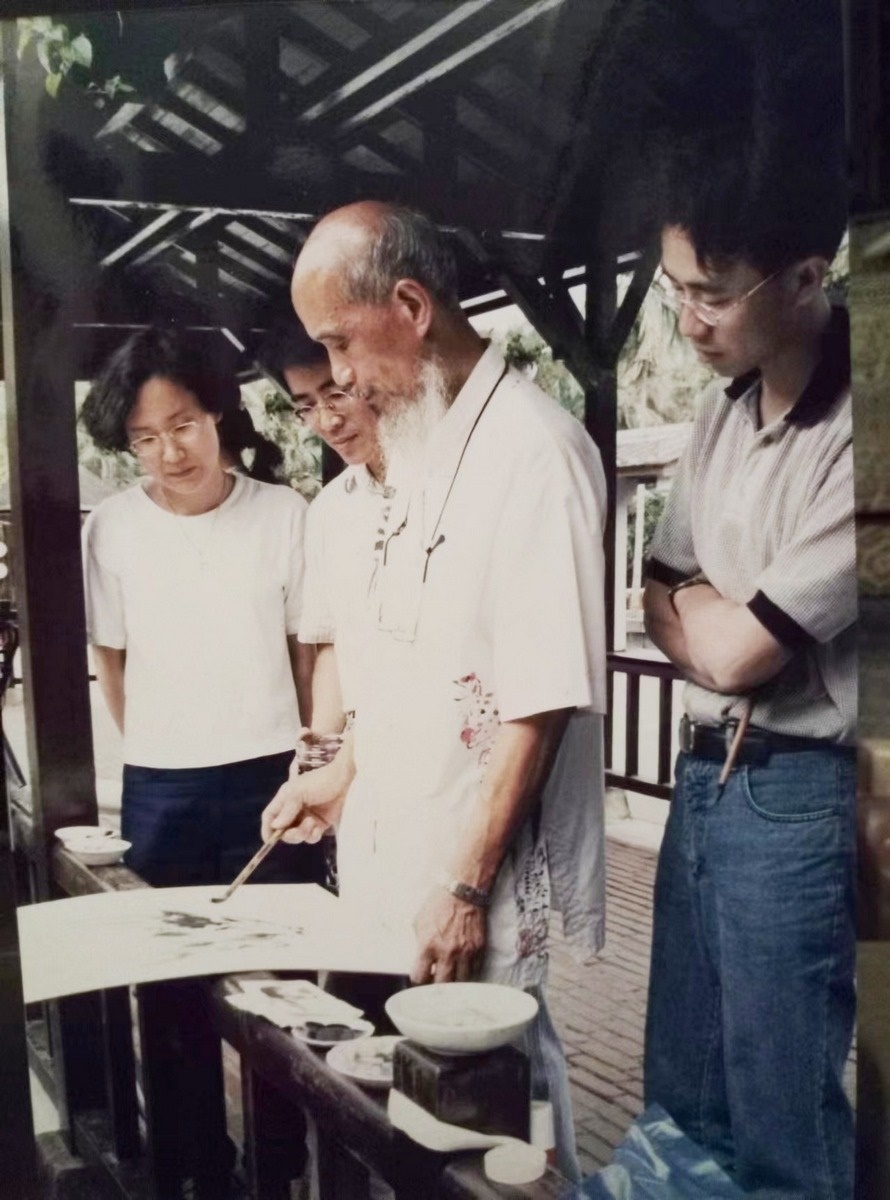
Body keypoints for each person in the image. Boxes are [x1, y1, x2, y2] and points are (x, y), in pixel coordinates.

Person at [261, 202, 608, 1181]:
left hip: (474, 867)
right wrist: (345, 772)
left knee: (502, 1115)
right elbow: (408, 658)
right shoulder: (416, 442)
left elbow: (537, 698)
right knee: (424, 1116)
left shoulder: (533, 454)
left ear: (409, 305)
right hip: (402, 842)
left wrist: (463, 886)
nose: (336, 376)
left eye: (338, 340)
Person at [641, 160, 855, 1197]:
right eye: (673, 287)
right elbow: (655, 589)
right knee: (678, 1099)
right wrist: (711, 617)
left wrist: (705, 615)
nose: (686, 318)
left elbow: (727, 650)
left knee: (781, 1123)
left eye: (711, 294)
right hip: (699, 777)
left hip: (795, 791)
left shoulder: (865, 429)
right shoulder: (721, 413)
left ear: (807, 278)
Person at [80, 326, 325, 889]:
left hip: (271, 769)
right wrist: (162, 740)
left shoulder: (283, 513)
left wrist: (303, 760)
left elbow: (304, 655)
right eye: (145, 438)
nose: (169, 453)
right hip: (161, 782)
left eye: (183, 425)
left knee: (282, 942)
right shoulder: (110, 527)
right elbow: (110, 661)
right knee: (171, 959)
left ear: (215, 411)